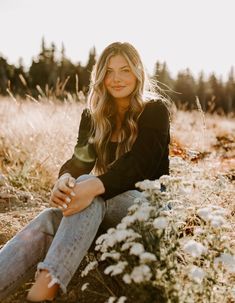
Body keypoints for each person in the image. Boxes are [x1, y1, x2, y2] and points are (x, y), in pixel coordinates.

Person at [0, 42, 170, 301]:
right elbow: (79, 161)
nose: (116, 78)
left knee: (91, 191)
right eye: (109, 71)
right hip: (102, 208)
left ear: (137, 72)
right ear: (100, 76)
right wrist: (65, 179)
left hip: (150, 209)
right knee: (49, 218)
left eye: (125, 70)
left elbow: (141, 165)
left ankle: (44, 289)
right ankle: (39, 289)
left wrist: (93, 186)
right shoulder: (93, 116)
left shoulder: (155, 111)